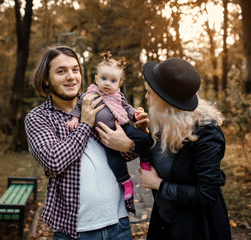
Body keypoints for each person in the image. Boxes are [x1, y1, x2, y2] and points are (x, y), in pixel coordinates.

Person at [25, 46, 147, 240]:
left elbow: (126, 152)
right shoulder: (38, 118)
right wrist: (85, 123)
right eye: (61, 71)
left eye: (75, 70)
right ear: (46, 79)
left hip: (119, 222)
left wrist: (129, 144)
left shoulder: (99, 101)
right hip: (76, 230)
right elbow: (55, 161)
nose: (71, 76)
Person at [139, 58, 232, 240]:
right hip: (165, 221)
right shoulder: (164, 122)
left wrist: (158, 184)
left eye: (149, 93)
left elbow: (207, 194)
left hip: (196, 228)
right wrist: (143, 134)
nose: (146, 97)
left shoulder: (207, 134)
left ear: (165, 100)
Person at [66, 51, 151, 200]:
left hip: (123, 127)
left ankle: (145, 162)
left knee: (145, 139)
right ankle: (126, 182)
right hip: (103, 134)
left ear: (119, 84)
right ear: (96, 79)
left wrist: (135, 114)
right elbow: (78, 108)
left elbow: (127, 108)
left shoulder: (118, 96)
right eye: (104, 79)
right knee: (114, 160)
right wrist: (74, 119)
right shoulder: (88, 95)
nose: (107, 83)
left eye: (113, 81)